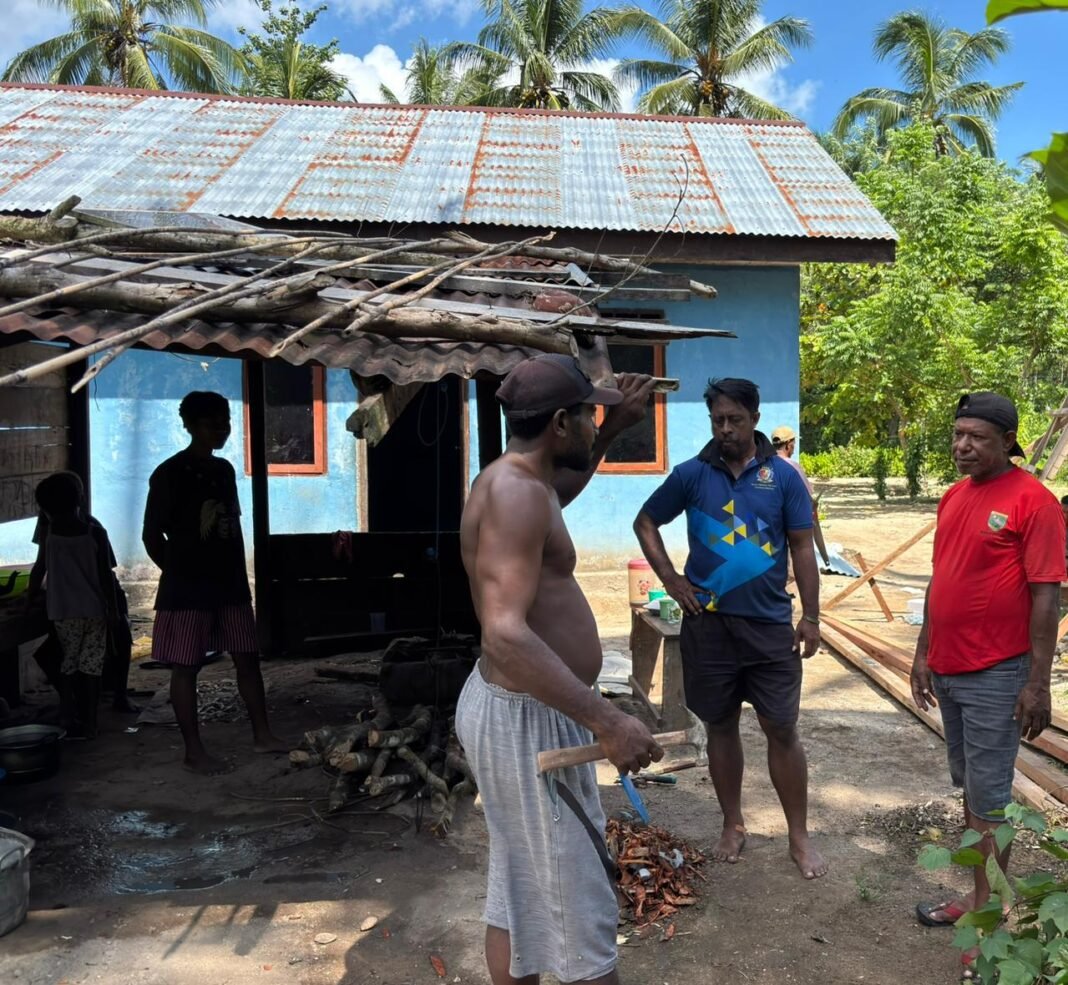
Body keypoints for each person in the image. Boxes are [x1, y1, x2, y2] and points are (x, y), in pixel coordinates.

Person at [457, 354, 663, 985]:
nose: (592, 418)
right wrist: (609, 720)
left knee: (520, 884)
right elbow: (506, 635)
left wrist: (612, 431)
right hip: (529, 717)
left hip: (522, 707)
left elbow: (558, 494)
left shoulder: (522, 480)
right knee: (579, 901)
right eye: (586, 413)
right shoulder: (518, 493)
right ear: (559, 424)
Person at [634, 378, 827, 879]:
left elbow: (803, 547)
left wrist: (811, 615)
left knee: (781, 728)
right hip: (709, 627)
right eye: (717, 420)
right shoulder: (692, 475)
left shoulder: (783, 477)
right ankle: (733, 824)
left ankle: (798, 836)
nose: (725, 429)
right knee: (719, 725)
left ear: (755, 418)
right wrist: (673, 580)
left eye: (734, 419)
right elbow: (646, 522)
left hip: (769, 628)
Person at [912, 393, 1064, 942]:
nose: (962, 446)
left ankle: (989, 925)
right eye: (957, 435)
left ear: (1007, 441)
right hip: (949, 669)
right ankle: (977, 900)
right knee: (972, 794)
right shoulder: (954, 497)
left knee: (992, 803)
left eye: (976, 437)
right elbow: (940, 578)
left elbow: (1047, 598)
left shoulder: (1034, 502)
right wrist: (922, 652)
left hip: (997, 674)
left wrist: (1037, 684)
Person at [142, 391, 286, 775]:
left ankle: (262, 735)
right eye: (211, 423)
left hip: (230, 585)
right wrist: (178, 573)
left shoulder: (223, 471)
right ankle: (194, 752)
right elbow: (151, 537)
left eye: (225, 422)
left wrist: (237, 577)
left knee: (247, 660)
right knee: (186, 667)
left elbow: (233, 527)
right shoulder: (169, 474)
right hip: (187, 592)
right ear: (189, 425)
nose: (220, 429)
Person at [28, 472, 138, 715]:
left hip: (75, 601)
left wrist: (114, 607)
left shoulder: (90, 528)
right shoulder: (65, 528)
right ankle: (87, 705)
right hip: (82, 601)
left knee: (115, 637)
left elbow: (105, 575)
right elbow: (44, 565)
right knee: (84, 660)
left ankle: (92, 701)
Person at [771, 425, 830, 568]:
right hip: (792, 524)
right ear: (788, 444)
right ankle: (825, 561)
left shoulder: (764, 466)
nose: (794, 447)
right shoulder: (793, 467)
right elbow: (809, 499)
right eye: (793, 443)